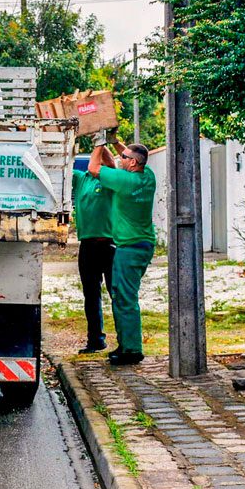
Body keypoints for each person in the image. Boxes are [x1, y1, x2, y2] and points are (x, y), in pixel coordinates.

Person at [88, 134, 156, 365]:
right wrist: (114, 140)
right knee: (125, 296)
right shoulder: (148, 177)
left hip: (129, 248)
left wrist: (99, 144)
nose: (120, 158)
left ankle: (131, 350)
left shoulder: (125, 182)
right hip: (143, 244)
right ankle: (127, 345)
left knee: (124, 298)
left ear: (132, 163)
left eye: (124, 157)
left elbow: (93, 168)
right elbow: (128, 153)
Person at [72, 139, 116, 353]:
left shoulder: (111, 179)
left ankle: (126, 339)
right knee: (91, 294)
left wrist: (100, 142)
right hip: (87, 245)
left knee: (116, 292)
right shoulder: (82, 179)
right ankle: (95, 339)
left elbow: (111, 162)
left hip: (110, 244)